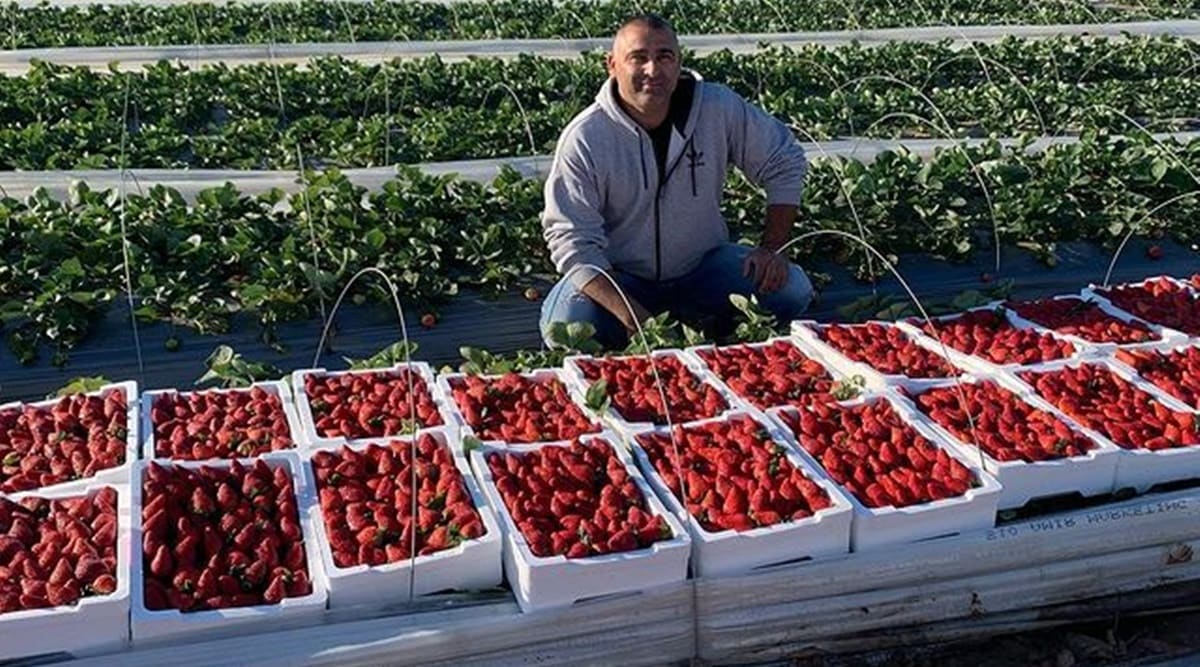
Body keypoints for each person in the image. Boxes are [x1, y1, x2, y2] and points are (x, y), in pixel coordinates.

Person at [539, 13, 815, 348]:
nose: (653, 70)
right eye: (638, 58)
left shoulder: (717, 108)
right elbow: (572, 240)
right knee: (567, 328)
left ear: (679, 62)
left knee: (793, 290)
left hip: (702, 269)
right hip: (623, 278)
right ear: (612, 65)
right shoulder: (587, 137)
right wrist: (634, 317)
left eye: (664, 57)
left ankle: (690, 319)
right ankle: (681, 322)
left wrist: (773, 247)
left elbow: (783, 159)